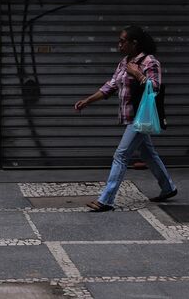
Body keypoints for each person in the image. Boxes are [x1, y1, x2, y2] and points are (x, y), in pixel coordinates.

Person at [74, 25, 178, 212]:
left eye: (123, 41)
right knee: (148, 154)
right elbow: (111, 86)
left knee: (121, 155)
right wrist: (87, 100)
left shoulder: (149, 62)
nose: (119, 44)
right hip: (132, 117)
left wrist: (137, 73)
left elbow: (155, 87)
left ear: (134, 43)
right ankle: (168, 187)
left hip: (141, 117)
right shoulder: (124, 62)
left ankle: (106, 200)